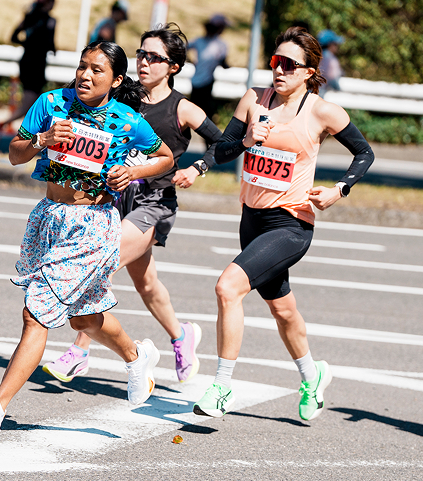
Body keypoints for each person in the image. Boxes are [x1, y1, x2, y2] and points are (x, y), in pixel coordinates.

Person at [0, 41, 175, 441]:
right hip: (50, 218)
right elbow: (15, 154)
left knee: (35, 312)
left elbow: (165, 157)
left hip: (92, 223)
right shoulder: (51, 103)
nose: (86, 76)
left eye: (97, 70)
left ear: (117, 79)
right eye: (82, 67)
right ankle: (136, 355)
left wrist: (134, 172)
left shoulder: (127, 121)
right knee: (81, 316)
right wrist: (43, 139)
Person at [192, 27, 374, 420]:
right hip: (251, 221)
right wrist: (244, 140)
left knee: (228, 287)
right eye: (275, 61)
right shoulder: (254, 100)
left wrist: (339, 190)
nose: (279, 70)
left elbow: (364, 152)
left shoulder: (321, 111)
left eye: (289, 65)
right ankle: (313, 375)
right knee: (283, 311)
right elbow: (220, 150)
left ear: (309, 71)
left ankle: (221, 385)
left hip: (290, 224)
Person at [42, 23, 223, 384]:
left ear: (172, 66)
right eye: (142, 54)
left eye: (155, 57)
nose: (145, 62)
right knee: (147, 283)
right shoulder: (123, 97)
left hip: (153, 201)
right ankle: (180, 335)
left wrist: (197, 168)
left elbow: (224, 142)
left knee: (101, 260)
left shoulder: (182, 108)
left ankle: (79, 351)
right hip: (114, 197)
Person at [0, 0, 57, 144]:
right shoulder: (50, 21)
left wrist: (28, 44)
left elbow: (14, 36)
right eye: (52, 0)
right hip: (37, 65)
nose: (55, 3)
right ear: (46, 2)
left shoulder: (29, 16)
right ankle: (3, 125)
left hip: (26, 62)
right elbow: (50, 44)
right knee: (31, 104)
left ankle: (29, 135)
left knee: (33, 103)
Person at [188, 14, 229, 121]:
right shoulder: (221, 45)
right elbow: (223, 63)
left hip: (196, 80)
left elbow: (182, 48)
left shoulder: (198, 41)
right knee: (206, 111)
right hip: (207, 81)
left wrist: (190, 60)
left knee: (192, 109)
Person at [317, 29, 344, 95]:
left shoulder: (317, 56)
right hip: (321, 92)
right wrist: (338, 90)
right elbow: (333, 77)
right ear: (330, 45)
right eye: (335, 44)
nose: (337, 46)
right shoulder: (330, 58)